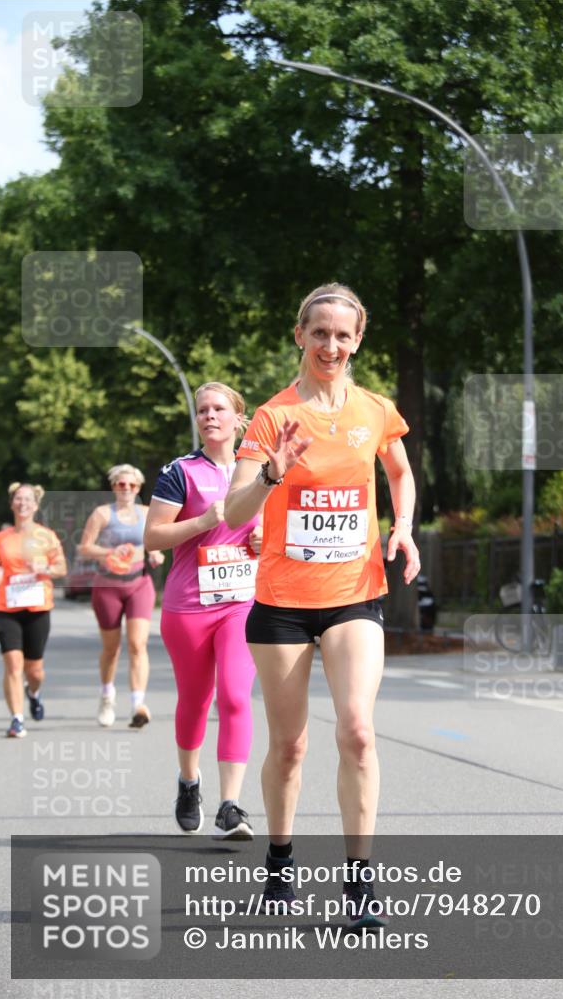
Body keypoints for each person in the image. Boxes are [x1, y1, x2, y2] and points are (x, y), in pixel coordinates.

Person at [225, 282, 420, 928]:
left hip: (354, 595)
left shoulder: (375, 409)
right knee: (288, 746)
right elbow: (232, 511)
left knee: (358, 734)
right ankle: (280, 866)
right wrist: (272, 474)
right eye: (319, 333)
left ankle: (358, 886)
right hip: (280, 603)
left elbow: (398, 470)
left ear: (356, 339)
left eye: (342, 335)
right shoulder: (270, 416)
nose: (330, 345)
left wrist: (403, 527)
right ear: (299, 336)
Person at [144, 382, 262, 838]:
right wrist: (201, 522)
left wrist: (262, 538)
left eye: (218, 409)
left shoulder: (262, 472)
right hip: (189, 604)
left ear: (238, 418)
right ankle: (189, 780)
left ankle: (231, 804)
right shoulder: (180, 472)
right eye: (202, 410)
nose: (209, 416)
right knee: (196, 700)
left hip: (241, 602)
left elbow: (276, 527)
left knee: (234, 695)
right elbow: (153, 537)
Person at [78, 464, 165, 729]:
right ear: (114, 487)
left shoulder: (148, 513)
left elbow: (156, 541)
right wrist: (111, 553)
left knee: (138, 644)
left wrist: (154, 553)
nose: (126, 489)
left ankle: (138, 704)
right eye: (120, 484)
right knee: (112, 649)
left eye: (131, 485)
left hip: (139, 583)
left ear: (138, 488)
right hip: (108, 586)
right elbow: (84, 548)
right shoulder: (102, 514)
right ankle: (107, 696)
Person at [0, 482, 67, 738]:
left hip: (37, 607)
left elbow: (61, 568)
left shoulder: (46, 536)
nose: (22, 503)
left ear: (35, 505)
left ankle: (33, 692)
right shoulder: (1, 538)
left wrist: (44, 568)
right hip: (6, 607)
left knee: (34, 671)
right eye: (18, 499)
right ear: (12, 504)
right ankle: (16, 719)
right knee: (13, 664)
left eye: (27, 500)